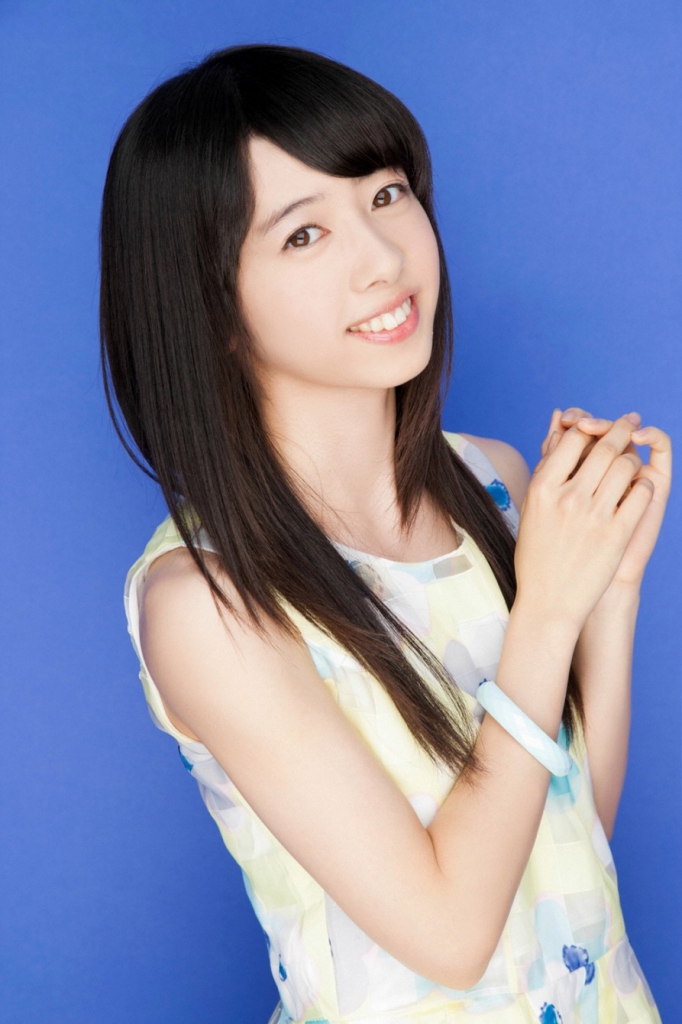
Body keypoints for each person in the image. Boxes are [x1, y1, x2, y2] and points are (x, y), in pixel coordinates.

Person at [100, 42, 671, 1024]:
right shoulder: (206, 603)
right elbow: (451, 935)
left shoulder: (492, 483)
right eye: (303, 235)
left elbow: (567, 840)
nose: (382, 258)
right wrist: (548, 611)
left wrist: (607, 591)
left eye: (385, 194)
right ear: (210, 304)